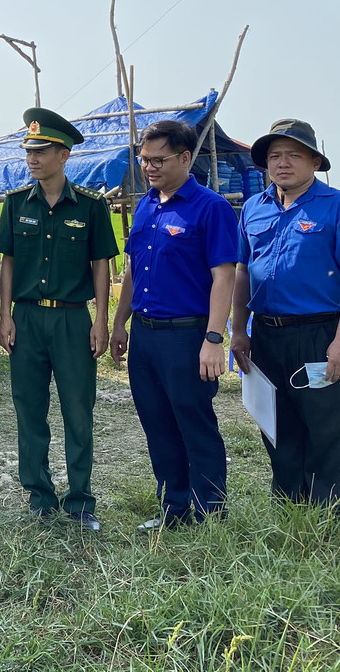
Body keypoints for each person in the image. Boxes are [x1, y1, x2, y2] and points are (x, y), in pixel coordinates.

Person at [231, 119, 340, 513]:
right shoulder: (253, 209)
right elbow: (243, 271)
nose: (283, 163)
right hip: (266, 334)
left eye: (294, 154)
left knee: (325, 428)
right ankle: (290, 505)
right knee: (276, 423)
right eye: (275, 156)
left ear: (314, 161)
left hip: (318, 333)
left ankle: (327, 516)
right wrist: (238, 330)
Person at [0, 107, 119, 531]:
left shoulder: (90, 206)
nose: (32, 158)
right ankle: (40, 496)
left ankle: (81, 500)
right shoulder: (15, 205)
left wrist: (101, 320)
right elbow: (6, 261)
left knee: (77, 411)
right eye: (29, 150)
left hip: (71, 322)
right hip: (26, 321)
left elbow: (101, 264)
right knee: (29, 409)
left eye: (42, 150)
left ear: (63, 155)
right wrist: (4, 315)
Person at [109, 119, 236, 529]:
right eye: (144, 160)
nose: (149, 167)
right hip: (145, 335)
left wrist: (214, 338)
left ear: (185, 157)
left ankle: (209, 511)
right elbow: (131, 271)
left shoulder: (210, 207)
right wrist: (118, 323)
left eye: (158, 160)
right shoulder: (147, 204)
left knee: (193, 421)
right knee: (157, 422)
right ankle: (174, 507)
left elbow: (224, 276)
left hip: (187, 335)